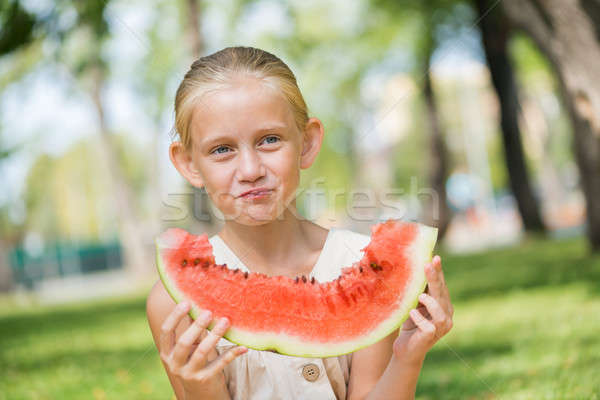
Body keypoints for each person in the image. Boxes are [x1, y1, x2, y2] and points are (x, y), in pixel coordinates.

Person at [146, 46, 454, 400]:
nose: (250, 171)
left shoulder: (364, 265)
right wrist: (200, 389)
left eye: (269, 140)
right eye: (221, 149)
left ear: (306, 144)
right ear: (188, 163)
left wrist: (407, 359)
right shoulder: (172, 303)